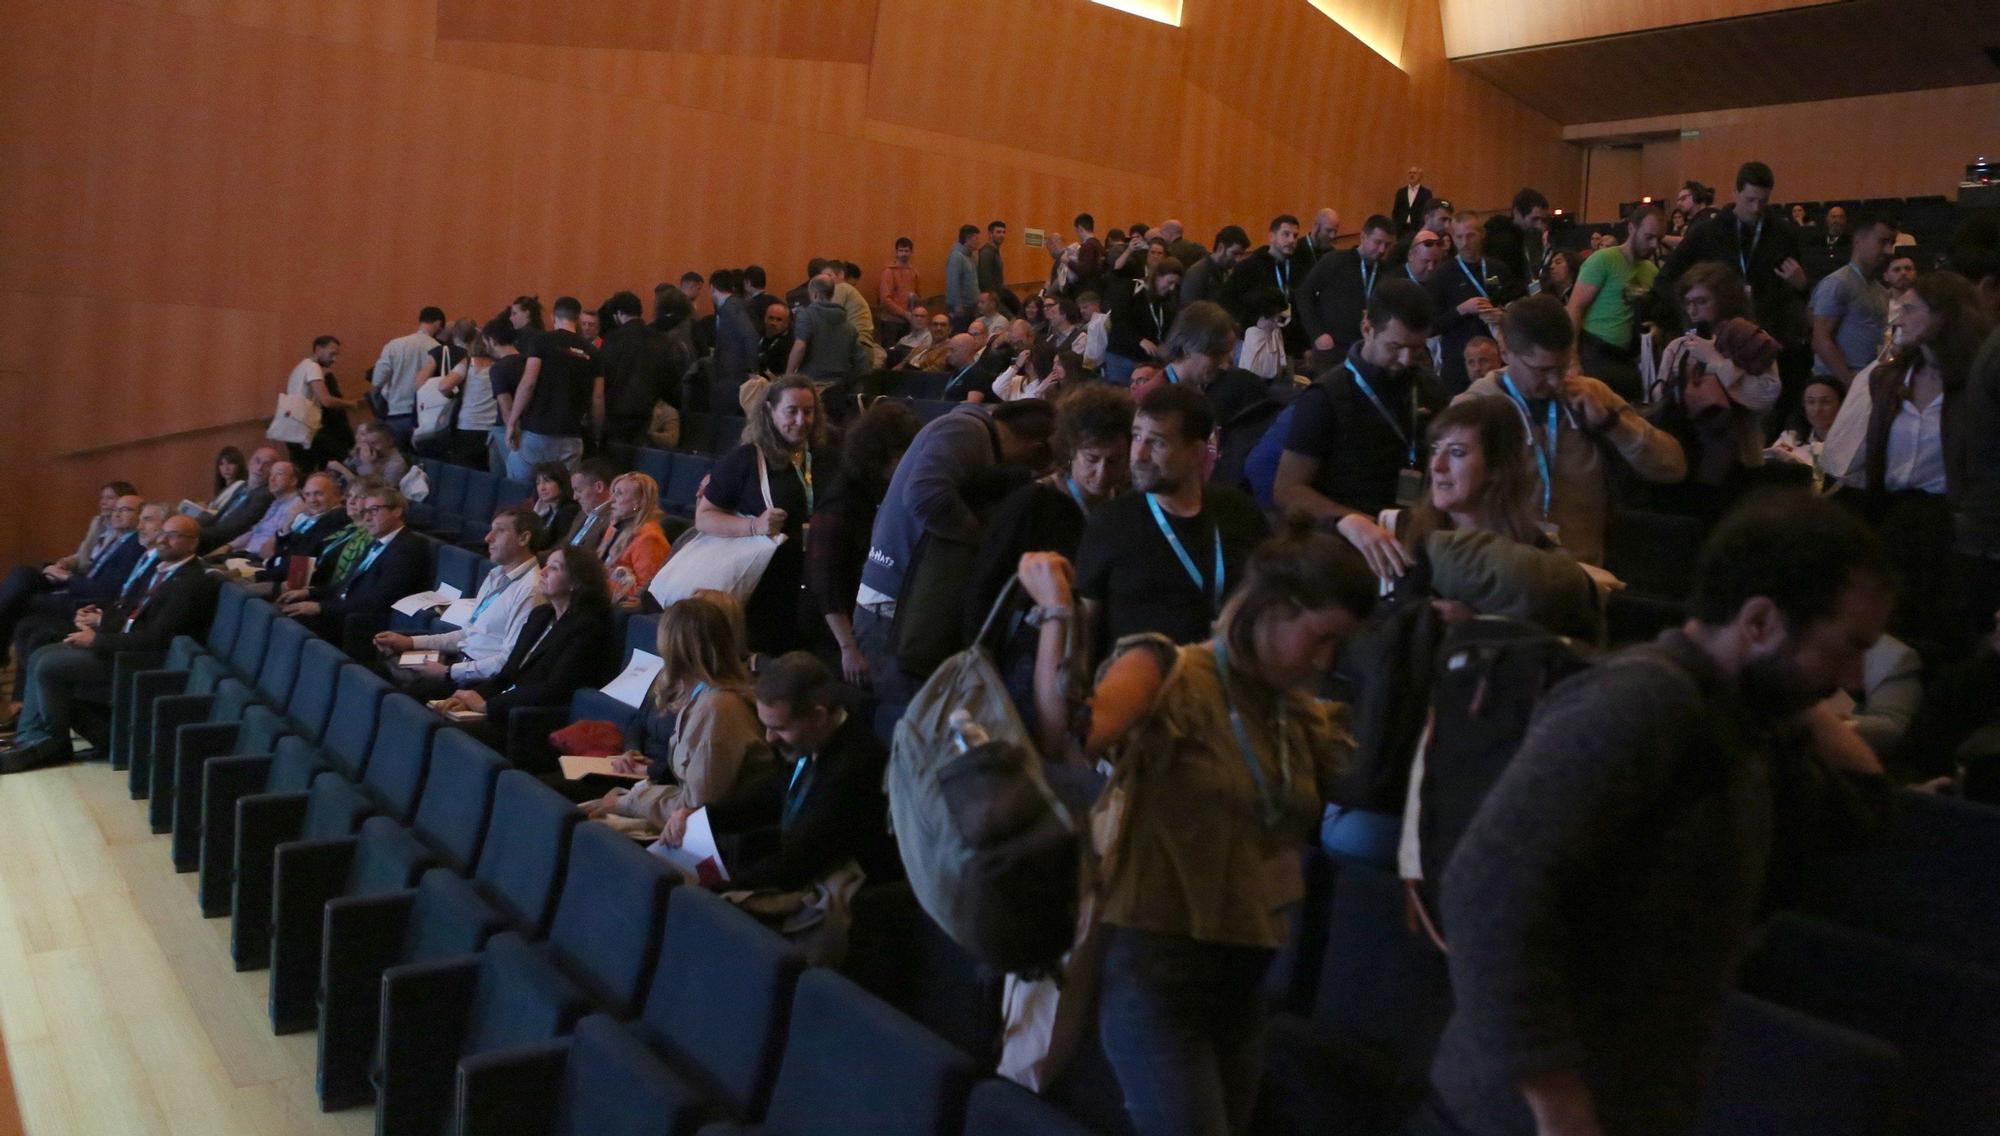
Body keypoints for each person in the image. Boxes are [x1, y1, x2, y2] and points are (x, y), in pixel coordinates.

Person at [1412, 493, 1895, 1136]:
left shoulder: (1741, 720)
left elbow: (1863, 817)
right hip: (1509, 1120)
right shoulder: (1643, 700)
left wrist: (1792, 687)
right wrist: (1560, 1106)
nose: (1852, 679)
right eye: (1845, 647)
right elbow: (1486, 888)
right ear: (1758, 621)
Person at [1015, 519, 1377, 1136]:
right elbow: (1068, 734)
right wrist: (1056, 612)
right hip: (1158, 978)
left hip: (1244, 983)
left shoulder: (1292, 712)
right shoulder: (1167, 669)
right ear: (1274, 609)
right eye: (1320, 638)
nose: (1326, 660)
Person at [1822, 271, 1995, 657]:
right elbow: (1849, 457)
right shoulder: (1886, 378)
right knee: (1893, 635)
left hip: (1952, 527)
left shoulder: (1976, 386)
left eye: (1911, 308)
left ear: (1946, 316)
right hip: (1894, 520)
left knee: (1946, 638)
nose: (1898, 317)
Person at [1458, 294, 1686, 565]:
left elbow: (1673, 467)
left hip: (1584, 576)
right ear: (1505, 352)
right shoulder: (1474, 408)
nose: (1556, 380)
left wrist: (1612, 424)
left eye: (1563, 367)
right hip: (1504, 577)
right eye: (1542, 370)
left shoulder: (1590, 394)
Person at [854, 399, 1056, 702]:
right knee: (905, 728)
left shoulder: (969, 431)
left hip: (895, 605)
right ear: (1036, 449)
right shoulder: (966, 431)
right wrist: (980, 540)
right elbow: (924, 495)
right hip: (892, 609)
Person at [0, 515, 217, 772]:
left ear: (192, 544)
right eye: (163, 533)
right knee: (40, 655)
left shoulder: (190, 582)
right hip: (121, 644)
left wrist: (97, 640)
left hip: (140, 659)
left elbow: (157, 638)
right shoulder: (162, 570)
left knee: (48, 663)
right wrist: (100, 619)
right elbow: (128, 609)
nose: (162, 539)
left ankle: (52, 742)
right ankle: (33, 737)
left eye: (173, 535)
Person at [680, 650, 896, 892]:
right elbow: (774, 793)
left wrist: (718, 885)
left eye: (779, 728)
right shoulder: (814, 741)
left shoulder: (855, 768)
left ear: (818, 716)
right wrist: (701, 816)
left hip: (844, 894)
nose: (769, 738)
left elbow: (799, 862)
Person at [1077, 384, 1269, 649]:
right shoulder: (1111, 522)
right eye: (1136, 437)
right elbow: (1084, 627)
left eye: (1157, 442)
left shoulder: (1238, 511)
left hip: (1228, 673)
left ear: (1196, 453)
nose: (1139, 454)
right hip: (1143, 682)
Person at [1274, 278, 1443, 579]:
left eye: (1416, 349)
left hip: (1418, 542)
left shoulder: (1430, 389)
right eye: (1396, 347)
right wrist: (1353, 521)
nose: (1406, 360)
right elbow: (1288, 490)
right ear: (1367, 328)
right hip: (1349, 551)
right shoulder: (1325, 397)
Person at [580, 594, 773, 838]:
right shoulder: (703, 696)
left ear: (675, 651)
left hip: (714, 839)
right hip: (676, 817)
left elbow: (695, 808)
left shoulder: (718, 708)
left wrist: (626, 802)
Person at [433, 546, 618, 748]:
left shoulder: (588, 628)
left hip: (531, 722)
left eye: (555, 568)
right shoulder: (541, 614)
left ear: (575, 582)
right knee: (438, 718)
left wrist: (487, 706)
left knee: (448, 736)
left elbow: (554, 689)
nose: (543, 572)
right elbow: (508, 673)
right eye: (545, 565)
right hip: (507, 706)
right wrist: (475, 697)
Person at [698, 376, 832, 652]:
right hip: (766, 587)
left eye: (808, 412)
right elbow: (705, 517)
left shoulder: (827, 456)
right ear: (770, 411)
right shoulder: (747, 458)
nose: (800, 420)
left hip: (814, 580)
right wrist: (753, 526)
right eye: (791, 411)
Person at [1647, 264, 1784, 503]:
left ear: (1725, 300)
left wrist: (1716, 362)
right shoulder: (1678, 346)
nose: (1693, 309)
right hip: (1688, 454)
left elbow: (1766, 395)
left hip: (1740, 458)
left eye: (1701, 301)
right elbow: (1659, 397)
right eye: (1688, 302)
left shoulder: (1749, 340)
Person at [374, 508, 544, 697]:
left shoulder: (531, 589)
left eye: (500, 530)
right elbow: (467, 634)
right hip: (459, 664)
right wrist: (410, 642)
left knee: (400, 696)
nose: (488, 538)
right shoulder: (496, 575)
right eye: (490, 530)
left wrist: (448, 672)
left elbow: (508, 661)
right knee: (380, 664)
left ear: (524, 538)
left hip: (477, 682)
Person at [810, 401, 920, 688]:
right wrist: (849, 648)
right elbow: (824, 580)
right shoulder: (843, 499)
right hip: (838, 632)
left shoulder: (882, 487)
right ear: (880, 455)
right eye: (901, 456)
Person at [1660, 161, 1809, 348]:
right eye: (1750, 200)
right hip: (1717, 338)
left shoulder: (1783, 234)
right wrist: (1691, 309)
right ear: (1735, 193)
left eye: (1763, 201)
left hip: (1768, 338)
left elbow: (1800, 290)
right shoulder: (1707, 232)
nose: (1756, 208)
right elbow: (1666, 279)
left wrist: (1802, 285)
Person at [277, 484, 434, 659]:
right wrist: (308, 592)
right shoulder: (376, 542)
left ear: (397, 511)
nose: (366, 518)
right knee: (283, 610)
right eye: (365, 512)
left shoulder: (408, 546)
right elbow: (346, 585)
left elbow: (379, 599)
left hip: (364, 620)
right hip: (345, 609)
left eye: (373, 510)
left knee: (291, 621)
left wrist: (320, 607)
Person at [1568, 205, 1664, 401]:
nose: (1654, 244)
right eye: (1649, 237)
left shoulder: (1651, 271)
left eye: (1659, 239)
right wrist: (1572, 360)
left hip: (1626, 359)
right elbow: (1574, 308)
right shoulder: (1603, 260)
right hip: (1594, 352)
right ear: (1632, 229)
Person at [504, 296, 603, 481]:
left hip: (537, 429)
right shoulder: (592, 352)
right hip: (571, 433)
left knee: (521, 487)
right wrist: (597, 431)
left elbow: (529, 382)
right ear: (578, 319)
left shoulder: (542, 341)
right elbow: (597, 397)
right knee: (563, 492)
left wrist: (512, 421)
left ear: (553, 317)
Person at [1810, 210, 1897, 387]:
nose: (1889, 251)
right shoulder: (1837, 283)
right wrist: (1851, 383)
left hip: (1867, 381)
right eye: (1883, 242)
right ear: (1859, 241)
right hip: (1838, 385)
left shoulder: (1880, 290)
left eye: (1892, 243)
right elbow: (1821, 340)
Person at [1300, 214, 1396, 371]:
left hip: (1366, 351)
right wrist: (1316, 333)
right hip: (1331, 349)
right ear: (1363, 236)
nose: (1382, 250)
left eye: (1387, 245)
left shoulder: (1387, 272)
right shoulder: (1334, 261)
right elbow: (1304, 294)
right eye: (1378, 242)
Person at [598, 289, 680, 448]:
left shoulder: (612, 339)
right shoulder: (660, 340)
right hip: (644, 413)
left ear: (619, 313)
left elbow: (603, 376)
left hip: (614, 413)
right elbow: (670, 379)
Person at [1226, 216, 1304, 358]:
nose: (1292, 240)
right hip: (1253, 342)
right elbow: (1230, 303)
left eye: (1295, 236)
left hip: (1287, 344)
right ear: (1271, 237)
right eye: (1286, 234)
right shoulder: (1249, 267)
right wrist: (1254, 321)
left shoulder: (1298, 268)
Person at [369, 306, 445, 448]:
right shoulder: (439, 349)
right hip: (425, 416)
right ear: (438, 324)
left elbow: (378, 380)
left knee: (396, 460)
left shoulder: (395, 344)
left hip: (396, 413)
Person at [596, 472, 672, 612]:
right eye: (613, 492)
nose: (611, 499)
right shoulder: (615, 527)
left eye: (619, 493)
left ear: (639, 501)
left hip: (612, 607)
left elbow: (644, 592)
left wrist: (599, 584)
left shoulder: (649, 539)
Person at [270, 336, 351, 467]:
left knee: (302, 467)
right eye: (332, 353)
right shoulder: (313, 367)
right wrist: (350, 404)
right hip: (305, 427)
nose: (334, 359)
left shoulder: (299, 368)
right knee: (336, 456)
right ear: (318, 349)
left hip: (291, 427)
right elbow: (326, 401)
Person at [257, 471, 349, 584]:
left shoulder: (335, 520)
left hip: (291, 584)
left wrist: (258, 577)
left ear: (337, 496)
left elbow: (300, 568)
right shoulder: (305, 518)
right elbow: (274, 551)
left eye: (319, 494)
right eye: (307, 494)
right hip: (274, 572)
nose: (312, 500)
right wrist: (287, 524)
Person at [1104, 258, 1184, 384]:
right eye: (1169, 282)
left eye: (1176, 285)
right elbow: (1118, 321)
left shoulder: (1167, 302)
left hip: (1147, 361)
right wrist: (1139, 340)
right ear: (1157, 276)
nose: (1172, 288)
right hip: (1122, 355)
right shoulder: (1132, 288)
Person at [211, 460, 303, 562]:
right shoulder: (275, 503)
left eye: (279, 474)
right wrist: (229, 546)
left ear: (293, 481)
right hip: (245, 554)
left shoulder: (296, 506)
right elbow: (255, 531)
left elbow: (277, 542)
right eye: (271, 474)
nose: (272, 479)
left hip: (258, 560)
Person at [1768, 373, 1846, 491]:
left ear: (1841, 405)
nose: (1817, 409)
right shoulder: (1791, 437)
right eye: (1811, 402)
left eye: (1825, 402)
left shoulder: (1850, 445)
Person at [199, 444, 281, 552]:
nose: (259, 468)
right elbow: (220, 517)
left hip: (221, 542)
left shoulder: (265, 495)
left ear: (273, 471)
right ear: (250, 463)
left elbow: (235, 528)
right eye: (257, 461)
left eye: (267, 465)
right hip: (211, 534)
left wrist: (198, 533)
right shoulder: (243, 487)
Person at [788, 276, 866, 382]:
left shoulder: (806, 316)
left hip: (810, 382)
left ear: (815, 294)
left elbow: (800, 347)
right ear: (832, 294)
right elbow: (860, 361)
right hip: (839, 385)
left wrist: (788, 376)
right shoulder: (849, 327)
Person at [1481, 188, 1551, 292]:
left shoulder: (1528, 238)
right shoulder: (1501, 241)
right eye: (1534, 219)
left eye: (1543, 220)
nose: (1540, 226)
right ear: (1517, 212)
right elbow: (1497, 280)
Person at [1179, 226, 1248, 308]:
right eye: (1235, 253)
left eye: (1241, 254)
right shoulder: (1198, 273)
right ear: (1221, 248)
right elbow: (1190, 311)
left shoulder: (1224, 272)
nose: (1237, 259)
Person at [326, 422, 408, 489]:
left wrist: (367, 464)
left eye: (374, 443)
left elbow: (370, 491)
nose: (368, 448)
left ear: (390, 441)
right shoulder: (365, 452)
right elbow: (348, 467)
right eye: (366, 443)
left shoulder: (396, 464)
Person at [559, 458, 617, 550]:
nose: (575, 497)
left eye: (578, 490)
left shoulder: (613, 519)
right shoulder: (581, 514)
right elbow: (563, 547)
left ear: (599, 487)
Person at [524, 461, 579, 552]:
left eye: (547, 481)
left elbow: (556, 547)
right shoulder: (547, 512)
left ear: (561, 483)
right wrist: (536, 516)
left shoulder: (569, 511)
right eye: (538, 483)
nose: (542, 488)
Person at [878, 237, 922, 347]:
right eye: (901, 250)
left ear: (911, 252)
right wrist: (905, 314)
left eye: (906, 251)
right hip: (891, 322)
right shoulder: (889, 272)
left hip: (908, 321)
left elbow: (918, 295)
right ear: (896, 252)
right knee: (890, 354)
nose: (904, 254)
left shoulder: (913, 272)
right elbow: (885, 300)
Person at [946, 224, 980, 330]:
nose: (978, 242)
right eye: (976, 238)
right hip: (961, 307)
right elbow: (953, 282)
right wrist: (957, 304)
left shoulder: (970, 256)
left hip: (971, 305)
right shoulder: (956, 256)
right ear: (968, 239)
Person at [202, 447, 249, 519]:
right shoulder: (224, 488)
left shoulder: (241, 486)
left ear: (239, 465)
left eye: (230, 463)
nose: (226, 468)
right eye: (221, 464)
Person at [1394, 167, 1434, 235]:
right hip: (1401, 228)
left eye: (1414, 173)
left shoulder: (1426, 193)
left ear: (1420, 176)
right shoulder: (1401, 192)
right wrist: (1396, 225)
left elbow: (1427, 211)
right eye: (1410, 173)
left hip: (1417, 228)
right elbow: (1395, 210)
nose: (1411, 175)